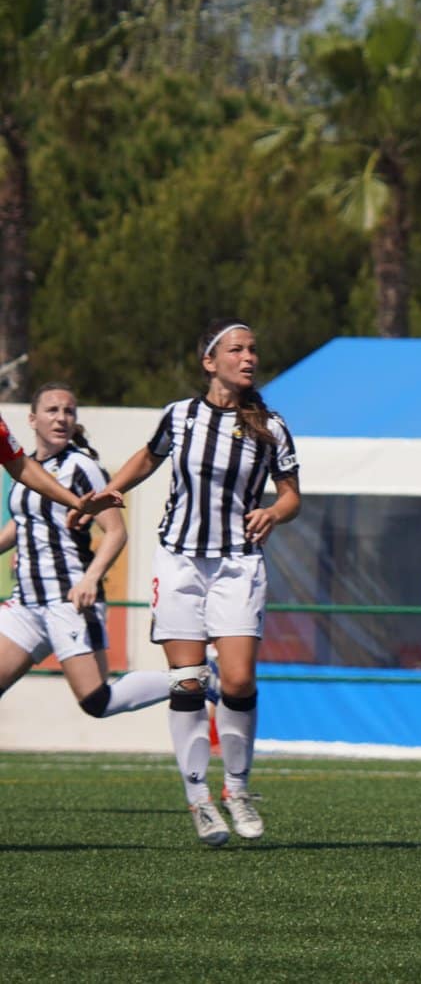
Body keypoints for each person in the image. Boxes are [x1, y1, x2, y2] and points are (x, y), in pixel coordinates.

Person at [94, 321, 301, 847]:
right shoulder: (180, 415)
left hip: (238, 564)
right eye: (237, 349)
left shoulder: (271, 426)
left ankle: (237, 788)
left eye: (254, 348)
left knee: (235, 682)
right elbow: (149, 455)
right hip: (181, 562)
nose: (249, 357)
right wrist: (110, 490)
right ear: (210, 361)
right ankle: (199, 801)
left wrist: (275, 512)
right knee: (186, 681)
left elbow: (292, 495)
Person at [0, 384, 164, 716]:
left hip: (67, 596)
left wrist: (90, 579)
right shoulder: (27, 469)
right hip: (27, 602)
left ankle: (193, 679)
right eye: (52, 410)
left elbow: (116, 532)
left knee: (96, 702)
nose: (61, 418)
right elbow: (23, 522)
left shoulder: (80, 467)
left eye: (68, 411)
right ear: (32, 420)